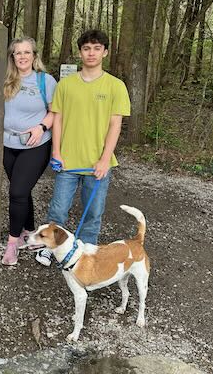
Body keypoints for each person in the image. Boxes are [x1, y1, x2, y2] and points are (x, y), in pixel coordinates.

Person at [35, 29, 130, 267]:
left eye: (97, 48)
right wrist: (56, 152)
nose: (91, 53)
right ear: (80, 52)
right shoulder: (66, 85)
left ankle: (87, 255)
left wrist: (105, 159)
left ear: (105, 52)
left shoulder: (116, 86)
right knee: (58, 210)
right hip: (67, 161)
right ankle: (50, 248)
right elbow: (57, 119)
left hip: (97, 164)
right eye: (86, 48)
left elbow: (115, 125)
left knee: (93, 213)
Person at [1, 37, 57, 266]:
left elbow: (55, 112)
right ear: (12, 57)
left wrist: (41, 127)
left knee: (16, 192)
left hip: (35, 145)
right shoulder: (5, 79)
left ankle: (12, 244)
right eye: (18, 53)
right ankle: (28, 230)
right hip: (8, 144)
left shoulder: (45, 81)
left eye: (27, 52)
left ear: (34, 55)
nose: (22, 56)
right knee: (22, 191)